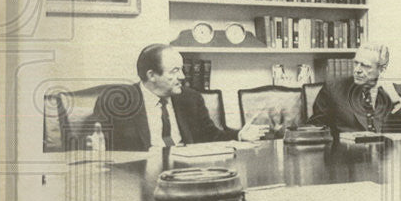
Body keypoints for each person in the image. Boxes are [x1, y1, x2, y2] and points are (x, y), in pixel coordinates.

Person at [91, 44, 268, 150]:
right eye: (175, 71)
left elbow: (211, 136)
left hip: (187, 173)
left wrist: (239, 135)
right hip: (140, 178)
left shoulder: (190, 98)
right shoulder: (116, 100)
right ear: (152, 75)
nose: (183, 77)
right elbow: (95, 143)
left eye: (181, 69)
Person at [307, 43, 401, 134]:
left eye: (365, 65)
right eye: (356, 63)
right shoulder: (334, 89)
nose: (357, 70)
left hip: (386, 161)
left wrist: (395, 99)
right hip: (348, 160)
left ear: (382, 69)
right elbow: (316, 129)